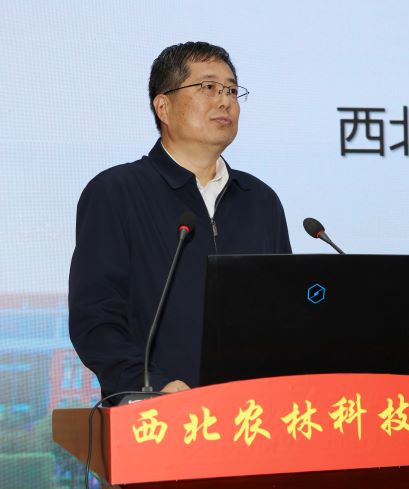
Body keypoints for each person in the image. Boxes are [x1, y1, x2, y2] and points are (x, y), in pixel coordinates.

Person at [69, 42, 292, 404]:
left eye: (231, 90)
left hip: (253, 417)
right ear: (164, 107)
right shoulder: (116, 192)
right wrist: (149, 383)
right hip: (158, 417)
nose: (225, 101)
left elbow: (284, 316)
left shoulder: (260, 201)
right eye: (208, 87)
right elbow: (95, 319)